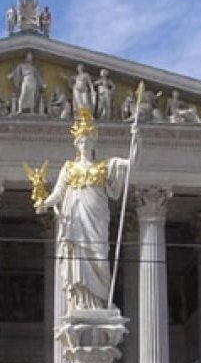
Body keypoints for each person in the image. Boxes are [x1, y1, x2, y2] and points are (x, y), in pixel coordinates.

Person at [35, 109, 133, 310]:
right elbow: (58, 194)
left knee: (99, 258)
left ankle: (100, 304)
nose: (84, 144)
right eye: (81, 140)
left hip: (96, 218)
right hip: (76, 220)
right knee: (77, 258)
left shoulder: (104, 166)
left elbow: (132, 163)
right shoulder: (69, 168)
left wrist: (137, 138)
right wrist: (44, 202)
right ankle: (80, 302)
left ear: (94, 142)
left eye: (88, 140)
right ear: (76, 144)